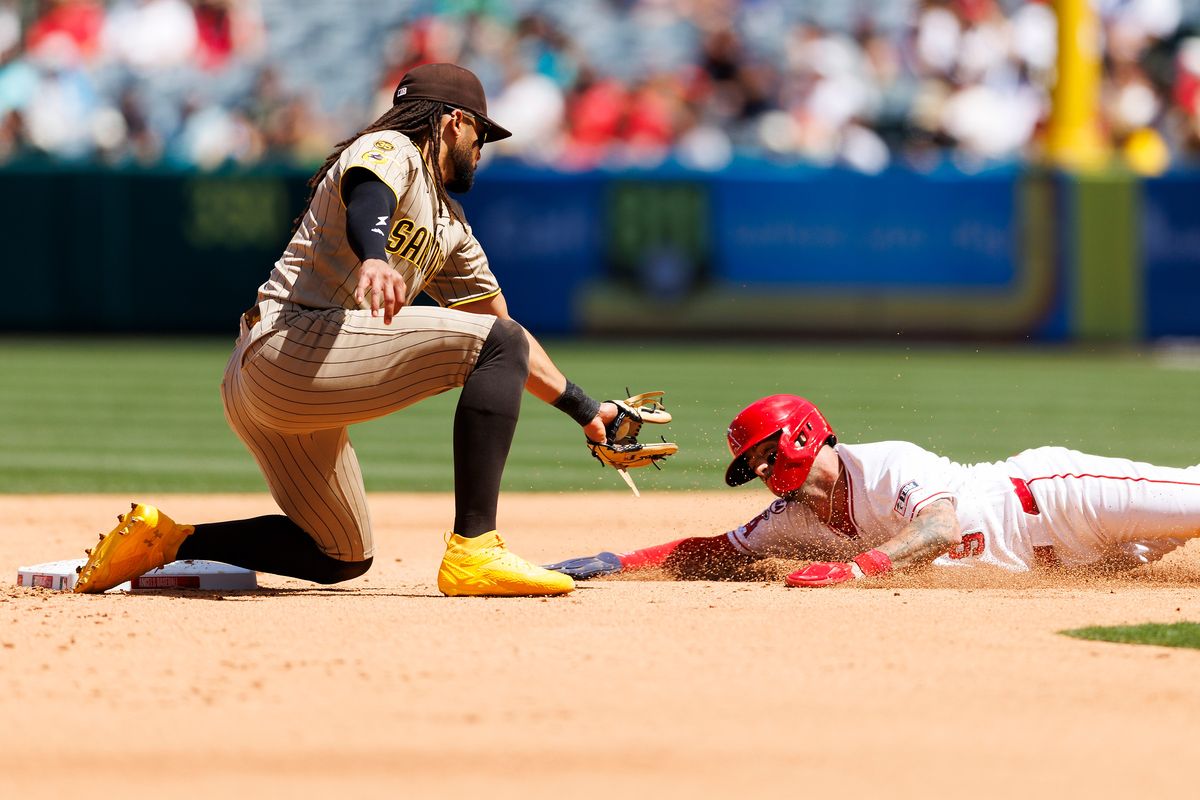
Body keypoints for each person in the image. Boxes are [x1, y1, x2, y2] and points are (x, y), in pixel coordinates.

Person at [75, 63, 630, 597]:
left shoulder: (451, 228)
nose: (481, 149)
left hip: (274, 392)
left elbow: (504, 333)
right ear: (453, 121)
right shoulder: (392, 147)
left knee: (340, 552)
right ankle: (474, 548)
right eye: (481, 133)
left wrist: (585, 410)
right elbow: (368, 189)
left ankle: (164, 539)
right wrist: (373, 254)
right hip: (289, 345)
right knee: (496, 347)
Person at [546, 394, 1200, 586]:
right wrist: (615, 564)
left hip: (1057, 498)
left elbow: (939, 528)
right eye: (754, 466)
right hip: (1082, 563)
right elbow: (714, 549)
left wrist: (856, 569)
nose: (767, 473)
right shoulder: (792, 518)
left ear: (804, 435)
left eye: (767, 454)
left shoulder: (883, 464)